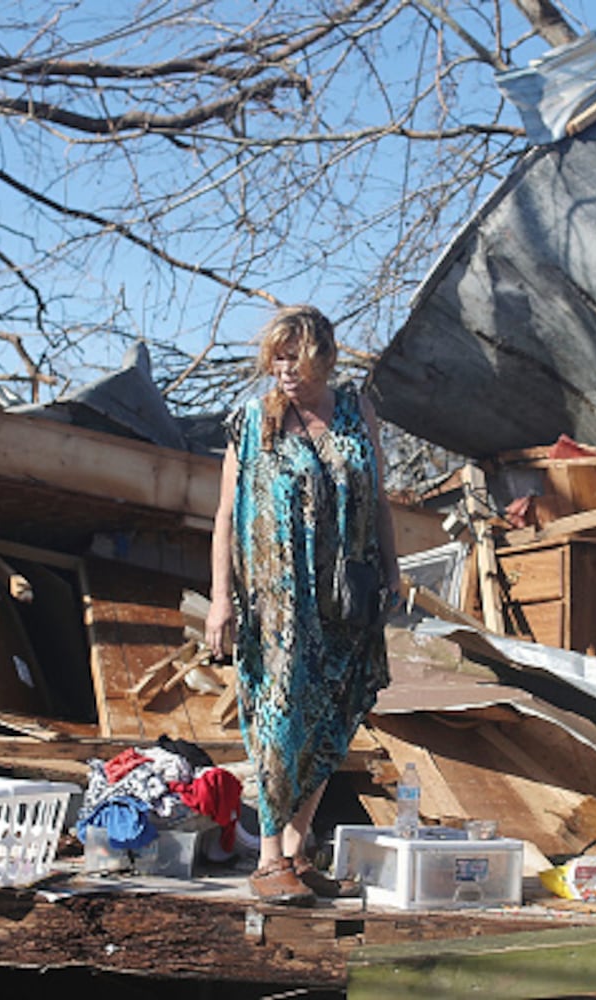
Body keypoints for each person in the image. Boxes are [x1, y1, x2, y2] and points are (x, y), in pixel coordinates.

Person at [205, 304, 400, 905]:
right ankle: (267, 859)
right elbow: (226, 516)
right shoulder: (252, 420)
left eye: (296, 357)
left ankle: (296, 850)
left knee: (335, 714)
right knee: (281, 719)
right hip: (277, 600)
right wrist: (220, 599)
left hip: (345, 593)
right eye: (276, 358)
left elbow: (380, 498)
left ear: (323, 356)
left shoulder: (354, 411)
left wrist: (391, 566)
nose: (284, 369)